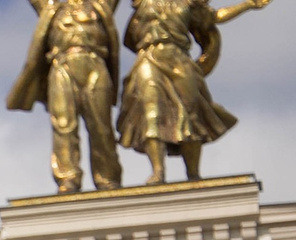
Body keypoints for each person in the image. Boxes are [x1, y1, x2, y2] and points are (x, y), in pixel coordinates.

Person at [118, 0, 278, 185]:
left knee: (190, 114)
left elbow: (215, 17)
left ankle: (193, 174)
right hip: (148, 57)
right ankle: (158, 171)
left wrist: (248, 5)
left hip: (179, 59)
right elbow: (128, 38)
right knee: (151, 112)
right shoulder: (142, 3)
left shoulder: (187, 4)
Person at [8, 0, 125, 195]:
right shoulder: (52, 7)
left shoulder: (99, 5)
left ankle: (108, 178)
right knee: (63, 124)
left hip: (94, 64)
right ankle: (68, 178)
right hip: (62, 65)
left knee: (101, 126)